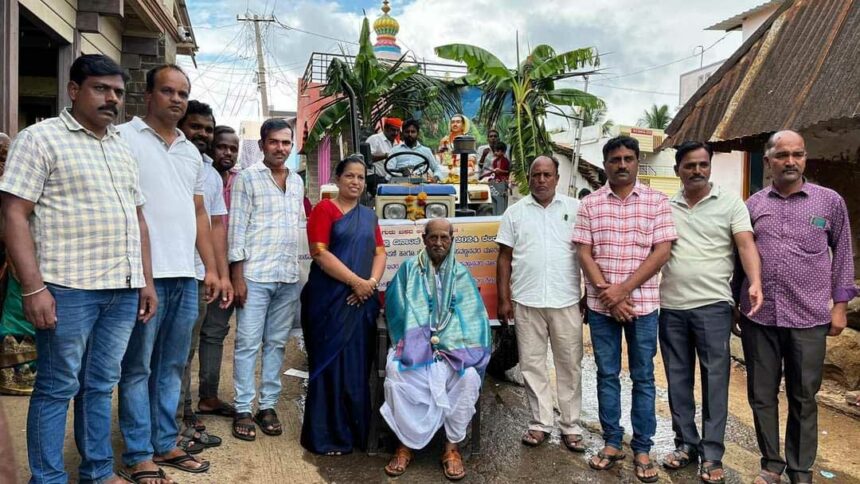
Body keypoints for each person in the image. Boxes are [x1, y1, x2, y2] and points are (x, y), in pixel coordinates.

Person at [0, 54, 156, 484]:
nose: (112, 99)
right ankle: (48, 479)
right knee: (56, 387)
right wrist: (33, 289)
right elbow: (14, 213)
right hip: (67, 289)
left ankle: (98, 473)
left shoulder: (120, 147)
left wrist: (145, 281)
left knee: (101, 384)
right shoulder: (40, 139)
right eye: (101, 89)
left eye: (118, 92)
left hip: (121, 290)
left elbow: (137, 218)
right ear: (74, 90)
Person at [117, 64, 222, 481]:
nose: (176, 100)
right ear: (149, 95)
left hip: (185, 274)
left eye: (183, 93)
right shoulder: (123, 139)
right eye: (168, 91)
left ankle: (164, 444)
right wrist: (141, 277)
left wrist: (212, 269)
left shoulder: (190, 151)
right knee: (137, 367)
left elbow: (199, 212)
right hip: (141, 276)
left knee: (172, 365)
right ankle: (138, 452)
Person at [737, 130, 857, 484]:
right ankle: (771, 464)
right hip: (760, 315)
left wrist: (840, 306)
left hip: (809, 317)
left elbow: (843, 256)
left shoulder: (829, 202)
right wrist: (735, 303)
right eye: (782, 155)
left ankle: (800, 468)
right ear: (768, 161)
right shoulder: (753, 205)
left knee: (804, 395)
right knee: (762, 394)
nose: (791, 161)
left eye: (798, 154)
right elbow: (739, 259)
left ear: (805, 158)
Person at [573, 136, 677, 483]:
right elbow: (584, 252)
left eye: (628, 158)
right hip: (603, 308)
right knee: (606, 374)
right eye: (615, 158)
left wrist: (621, 291)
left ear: (636, 162)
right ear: (605, 164)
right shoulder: (590, 204)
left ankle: (643, 447)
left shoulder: (656, 202)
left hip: (642, 306)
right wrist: (609, 297)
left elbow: (661, 251)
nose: (622, 164)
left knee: (644, 377)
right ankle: (613, 441)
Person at [659, 141, 764, 484]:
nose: (697, 171)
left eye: (703, 164)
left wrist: (754, 282)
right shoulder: (664, 206)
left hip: (713, 307)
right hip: (671, 306)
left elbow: (746, 244)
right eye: (690, 165)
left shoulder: (731, 203)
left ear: (710, 167)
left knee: (715, 381)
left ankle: (713, 453)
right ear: (678, 170)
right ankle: (686, 444)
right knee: (677, 380)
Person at [381, 218, 491, 481]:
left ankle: (451, 448)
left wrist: (449, 344)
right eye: (434, 237)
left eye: (444, 237)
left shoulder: (461, 274)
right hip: (415, 348)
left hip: (453, 351)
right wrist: (419, 341)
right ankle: (404, 445)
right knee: (396, 372)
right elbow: (396, 310)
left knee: (469, 378)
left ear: (452, 240)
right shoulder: (409, 269)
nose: (439, 243)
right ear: (424, 239)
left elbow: (474, 319)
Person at [496, 156, 587, 453]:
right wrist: (504, 299)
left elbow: (587, 252)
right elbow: (504, 257)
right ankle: (540, 423)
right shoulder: (515, 212)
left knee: (569, 365)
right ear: (529, 177)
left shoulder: (575, 209)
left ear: (557, 178)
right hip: (526, 300)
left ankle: (571, 426)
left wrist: (589, 291)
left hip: (566, 299)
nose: (542, 180)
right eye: (536, 175)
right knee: (533, 365)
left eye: (548, 175)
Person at [300, 155, 386, 455]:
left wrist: (370, 284)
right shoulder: (324, 209)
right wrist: (355, 282)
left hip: (362, 302)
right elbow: (319, 253)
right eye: (350, 176)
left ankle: (356, 434)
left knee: (357, 369)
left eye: (361, 178)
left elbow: (380, 253)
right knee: (329, 367)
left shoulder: (369, 216)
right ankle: (326, 437)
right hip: (328, 301)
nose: (355, 182)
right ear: (337, 179)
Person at [228, 118, 304, 441]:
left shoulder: (297, 182)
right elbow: (236, 229)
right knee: (247, 342)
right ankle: (243, 407)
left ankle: (267, 405)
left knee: (275, 344)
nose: (280, 148)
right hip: (255, 275)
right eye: (274, 142)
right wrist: (238, 277)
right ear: (261, 145)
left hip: (286, 276)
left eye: (286, 143)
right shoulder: (248, 178)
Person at [176, 101, 231, 445]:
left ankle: (182, 415)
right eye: (195, 127)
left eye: (208, 129)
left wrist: (218, 273)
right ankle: (170, 424)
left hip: (196, 275)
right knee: (160, 357)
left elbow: (215, 228)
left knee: (186, 351)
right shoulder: (168, 162)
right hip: (164, 272)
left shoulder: (209, 173)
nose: (203, 135)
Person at [197, 125, 241, 418]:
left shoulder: (243, 181)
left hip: (233, 268)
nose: (227, 152)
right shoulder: (199, 176)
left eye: (233, 148)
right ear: (212, 147)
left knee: (217, 332)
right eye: (222, 146)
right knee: (195, 335)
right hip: (201, 267)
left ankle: (208, 396)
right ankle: (192, 403)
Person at [367, 117, 402, 186]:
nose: (395, 133)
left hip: (392, 179)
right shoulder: (375, 139)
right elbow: (366, 159)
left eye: (397, 131)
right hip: (374, 178)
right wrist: (385, 156)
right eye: (393, 130)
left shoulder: (399, 144)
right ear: (385, 128)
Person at [481, 142, 510, 214]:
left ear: (503, 152)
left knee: (500, 199)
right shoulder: (495, 161)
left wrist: (501, 171)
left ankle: (501, 214)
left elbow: (508, 172)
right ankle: (495, 214)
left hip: (502, 182)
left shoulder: (505, 161)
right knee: (494, 198)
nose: (495, 153)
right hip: (495, 181)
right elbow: (493, 172)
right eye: (495, 151)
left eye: (497, 151)